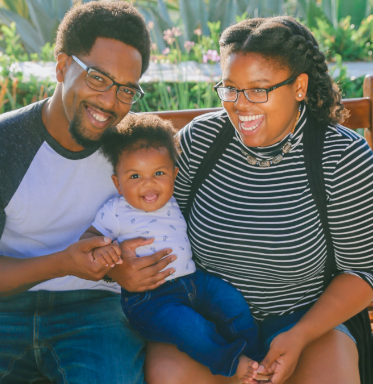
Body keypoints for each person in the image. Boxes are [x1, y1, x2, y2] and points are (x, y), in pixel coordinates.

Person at [145, 16, 373, 384]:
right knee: (166, 374)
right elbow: (156, 221)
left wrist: (298, 337)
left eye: (258, 89)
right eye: (230, 88)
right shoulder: (200, 142)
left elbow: (361, 272)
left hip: (307, 321)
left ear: (299, 86)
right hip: (208, 325)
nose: (239, 104)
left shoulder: (341, 157)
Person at [0, 2, 176, 383]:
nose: (110, 103)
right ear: (62, 67)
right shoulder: (1, 145)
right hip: (0, 309)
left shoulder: (132, 152)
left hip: (98, 312)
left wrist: (121, 271)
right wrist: (62, 263)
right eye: (97, 78)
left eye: (126, 89)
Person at [80, 113, 266, 381]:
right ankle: (231, 364)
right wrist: (104, 251)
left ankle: (256, 359)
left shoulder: (173, 200)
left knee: (232, 302)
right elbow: (87, 240)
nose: (148, 183)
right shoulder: (115, 211)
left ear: (174, 175)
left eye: (158, 173)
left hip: (193, 282)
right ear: (117, 183)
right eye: (134, 176)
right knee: (191, 328)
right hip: (150, 299)